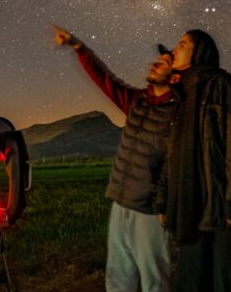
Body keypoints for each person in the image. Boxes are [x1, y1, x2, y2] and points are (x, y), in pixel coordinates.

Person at [53, 25, 178, 292]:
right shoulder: (137, 101)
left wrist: (164, 202)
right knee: (118, 277)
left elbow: (176, 163)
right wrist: (79, 47)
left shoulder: (179, 113)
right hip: (121, 200)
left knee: (154, 278)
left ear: (176, 77)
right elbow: (105, 79)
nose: (155, 63)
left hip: (151, 210)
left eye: (165, 63)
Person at [156, 30, 231, 292]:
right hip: (191, 204)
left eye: (182, 44)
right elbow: (171, 153)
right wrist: (163, 198)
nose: (174, 50)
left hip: (222, 204)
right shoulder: (181, 96)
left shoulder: (221, 86)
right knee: (192, 279)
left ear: (200, 52)